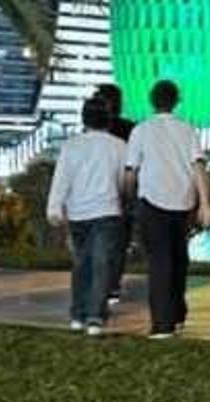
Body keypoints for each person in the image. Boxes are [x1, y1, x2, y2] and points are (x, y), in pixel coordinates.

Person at [124, 80, 210, 339]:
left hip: (152, 201)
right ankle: (177, 315)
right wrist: (205, 203)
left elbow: (131, 170)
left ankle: (162, 324)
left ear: (152, 101)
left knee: (159, 262)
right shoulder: (187, 130)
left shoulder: (141, 130)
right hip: (183, 202)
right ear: (177, 101)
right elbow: (198, 166)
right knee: (178, 259)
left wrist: (127, 196)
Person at [46, 97, 128, 337]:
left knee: (82, 264)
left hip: (78, 213)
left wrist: (54, 208)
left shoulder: (71, 146)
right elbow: (123, 181)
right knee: (101, 264)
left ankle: (78, 314)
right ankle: (95, 316)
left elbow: (61, 179)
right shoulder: (119, 146)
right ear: (108, 119)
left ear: (84, 119)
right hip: (107, 210)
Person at [93, 83, 137, 305]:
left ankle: (105, 285)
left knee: (104, 242)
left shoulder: (93, 131)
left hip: (103, 194)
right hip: (120, 194)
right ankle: (110, 286)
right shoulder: (131, 129)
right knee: (117, 243)